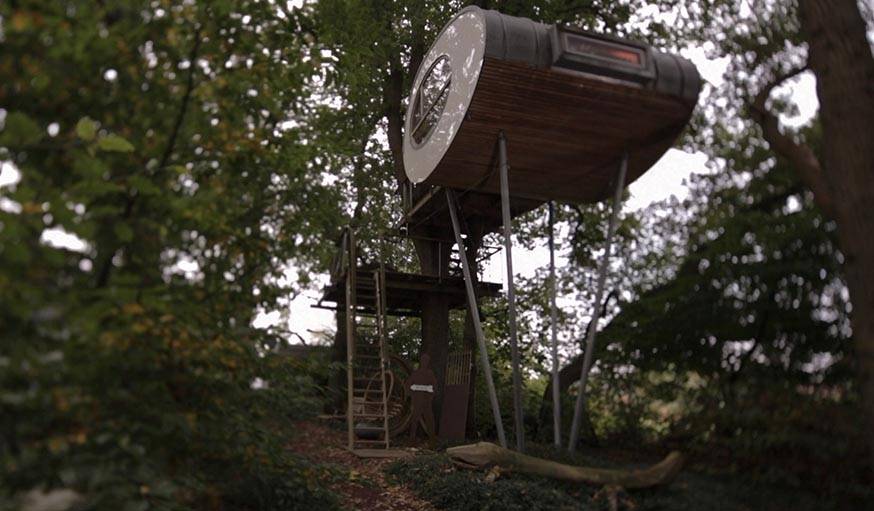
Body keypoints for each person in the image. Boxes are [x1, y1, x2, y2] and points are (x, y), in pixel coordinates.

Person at [405, 353, 437, 447]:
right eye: (423, 361)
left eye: (426, 361)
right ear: (421, 362)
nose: (425, 363)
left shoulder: (430, 374)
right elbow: (408, 386)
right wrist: (413, 395)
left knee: (430, 420)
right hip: (417, 402)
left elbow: (434, 387)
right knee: (414, 420)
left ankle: (432, 442)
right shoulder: (416, 374)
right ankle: (412, 441)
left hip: (426, 402)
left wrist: (430, 396)